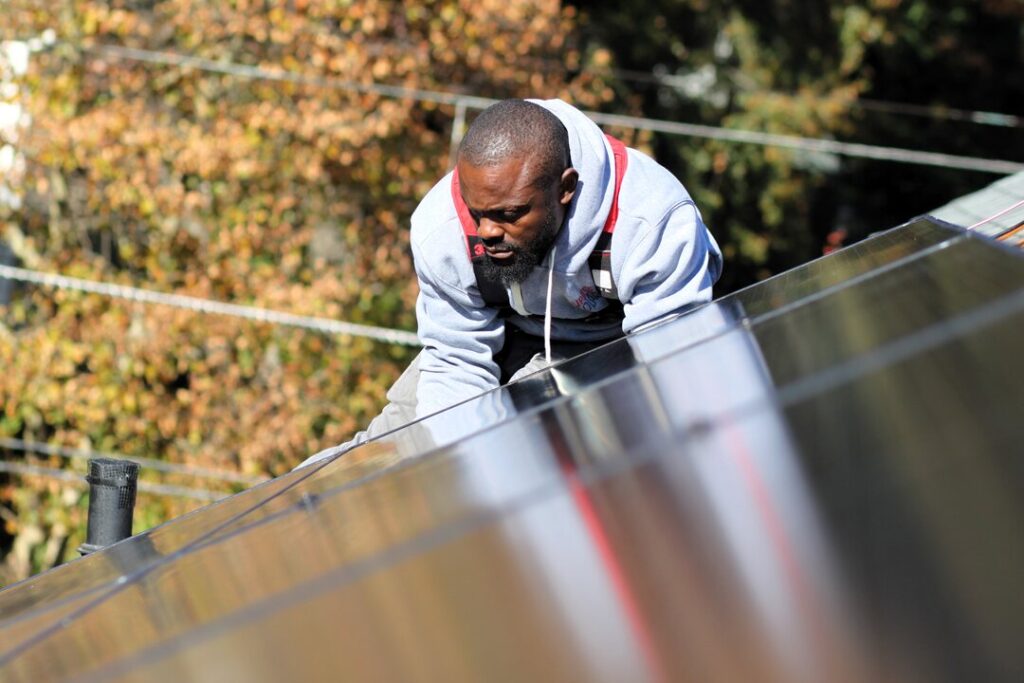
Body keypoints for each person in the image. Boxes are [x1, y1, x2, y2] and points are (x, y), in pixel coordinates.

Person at [296, 98, 721, 468]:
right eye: (476, 211)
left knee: (586, 458)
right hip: (500, 337)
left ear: (565, 189)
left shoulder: (649, 221)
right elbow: (456, 361)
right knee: (393, 451)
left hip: (618, 346)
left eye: (509, 214)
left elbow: (675, 362)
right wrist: (465, 464)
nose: (486, 232)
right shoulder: (440, 229)